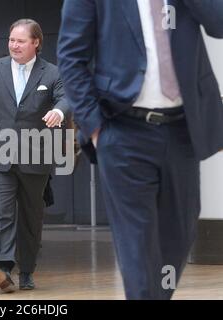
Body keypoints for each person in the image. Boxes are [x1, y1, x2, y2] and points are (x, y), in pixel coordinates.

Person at [57, 0, 223, 299]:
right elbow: (71, 57)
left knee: (179, 236)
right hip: (122, 131)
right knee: (137, 243)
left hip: (182, 131)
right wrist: (95, 127)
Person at [0, 19, 69, 293]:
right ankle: (1, 268)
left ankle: (26, 271)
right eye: (11, 40)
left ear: (36, 43)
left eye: (20, 41)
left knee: (31, 218)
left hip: (35, 157)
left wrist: (59, 112)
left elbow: (66, 97)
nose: (14, 45)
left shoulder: (53, 73)